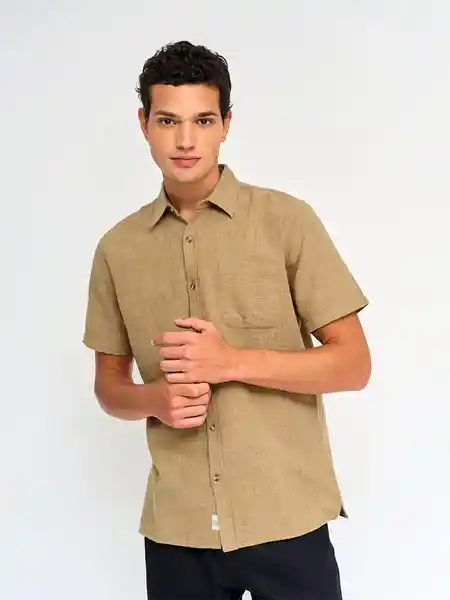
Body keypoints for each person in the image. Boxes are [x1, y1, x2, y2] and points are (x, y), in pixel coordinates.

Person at [83, 40, 371, 600]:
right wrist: (154, 399)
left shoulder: (286, 221)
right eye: (168, 120)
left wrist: (232, 362)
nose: (185, 140)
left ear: (226, 125)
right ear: (144, 125)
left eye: (203, 120)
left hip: (287, 519)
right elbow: (109, 386)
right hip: (178, 529)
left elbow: (353, 365)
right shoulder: (117, 249)